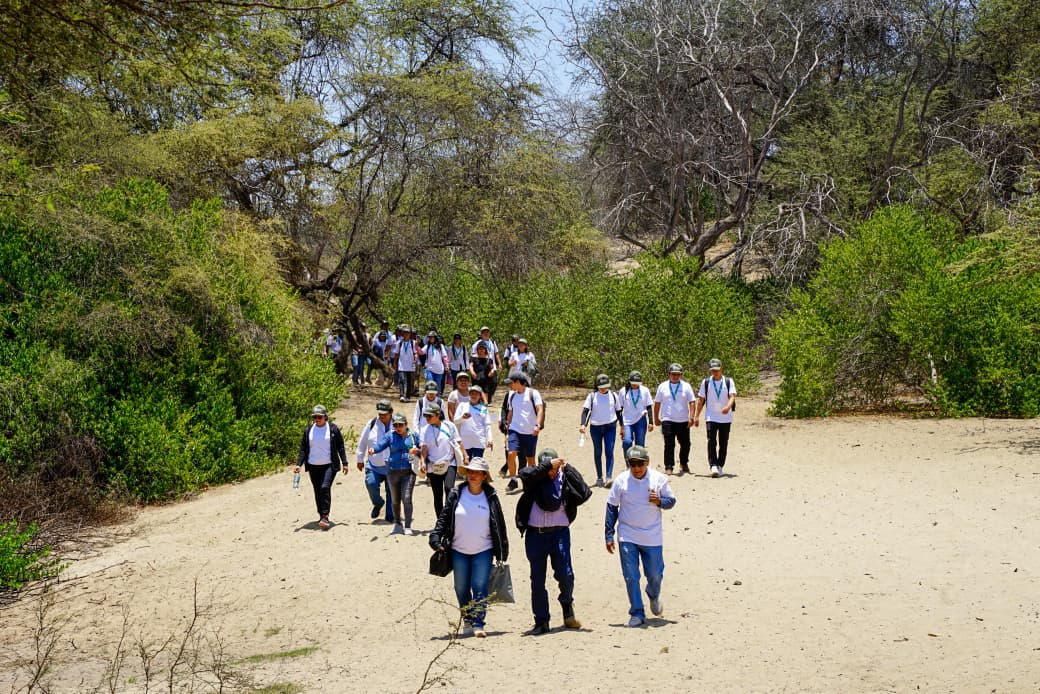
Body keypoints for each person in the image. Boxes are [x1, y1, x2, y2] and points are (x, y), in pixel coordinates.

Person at [429, 457, 509, 638]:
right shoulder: (456, 493)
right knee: (461, 587)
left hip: (484, 549)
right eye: (470, 472)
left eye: (477, 472)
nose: (473, 475)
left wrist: (502, 551)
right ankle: (468, 617)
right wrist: (435, 537)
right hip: (458, 550)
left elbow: (499, 524)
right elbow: (444, 517)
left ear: (483, 476)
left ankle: (479, 623)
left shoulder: (491, 496)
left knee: (479, 586)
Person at [516, 448, 593, 635]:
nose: (551, 472)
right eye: (547, 468)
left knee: (565, 574)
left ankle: (567, 606)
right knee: (538, 579)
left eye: (554, 468)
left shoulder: (564, 479)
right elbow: (523, 473)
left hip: (559, 534)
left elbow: (584, 492)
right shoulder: (533, 480)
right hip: (536, 535)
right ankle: (541, 621)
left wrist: (568, 469)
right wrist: (545, 468)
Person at [604, 445, 676, 627]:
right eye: (632, 464)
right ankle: (637, 612)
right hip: (627, 534)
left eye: (640, 464)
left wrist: (659, 501)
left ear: (647, 462)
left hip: (652, 536)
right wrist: (609, 534)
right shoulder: (621, 481)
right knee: (631, 576)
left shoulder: (659, 479)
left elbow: (671, 501)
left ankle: (653, 595)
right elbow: (612, 508)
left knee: (655, 575)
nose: (636, 468)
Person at [294, 405, 348, 530]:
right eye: (314, 417)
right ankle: (321, 514)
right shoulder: (308, 430)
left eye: (319, 417)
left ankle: (325, 516)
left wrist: (345, 463)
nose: (317, 419)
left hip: (329, 465)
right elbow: (303, 449)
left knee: (324, 487)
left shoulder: (333, 429)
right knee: (317, 490)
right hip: (313, 465)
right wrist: (298, 464)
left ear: (325, 417)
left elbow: (340, 446)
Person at [368, 412, 421, 535]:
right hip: (392, 472)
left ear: (406, 425)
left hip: (409, 472)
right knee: (395, 500)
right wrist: (373, 450)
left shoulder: (413, 436)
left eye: (400, 425)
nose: (398, 428)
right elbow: (381, 445)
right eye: (396, 425)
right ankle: (397, 524)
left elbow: (423, 450)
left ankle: (408, 526)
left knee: (406, 498)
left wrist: (417, 451)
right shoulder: (390, 436)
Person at [421, 403, 467, 518]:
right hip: (433, 466)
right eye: (426, 416)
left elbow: (459, 442)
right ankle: (440, 521)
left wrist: (465, 456)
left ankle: (449, 516)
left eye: (429, 416)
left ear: (438, 415)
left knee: (449, 488)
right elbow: (424, 448)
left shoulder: (450, 426)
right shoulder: (424, 430)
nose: (427, 418)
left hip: (450, 462)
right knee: (437, 495)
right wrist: (422, 462)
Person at [694, 358, 737, 478]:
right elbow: (701, 400)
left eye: (717, 370)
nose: (715, 372)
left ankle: (720, 465)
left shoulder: (728, 381)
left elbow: (732, 396)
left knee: (723, 443)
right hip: (711, 416)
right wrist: (696, 416)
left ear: (721, 369)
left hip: (725, 418)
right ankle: (713, 465)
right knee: (711, 440)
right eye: (713, 370)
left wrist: (728, 407)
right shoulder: (706, 382)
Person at [579, 374, 623, 487]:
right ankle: (599, 477)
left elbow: (618, 412)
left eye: (605, 386)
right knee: (598, 452)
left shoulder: (613, 395)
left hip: (610, 427)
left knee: (609, 451)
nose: (603, 388)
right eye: (601, 386)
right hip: (595, 428)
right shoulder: (592, 396)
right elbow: (585, 411)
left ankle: (609, 477)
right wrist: (582, 424)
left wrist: (622, 426)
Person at [356, 399, 395, 522]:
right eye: (380, 414)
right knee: (371, 483)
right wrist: (359, 458)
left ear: (391, 412)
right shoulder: (372, 424)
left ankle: (390, 513)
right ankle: (378, 503)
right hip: (374, 464)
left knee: (391, 492)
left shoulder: (398, 424)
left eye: (384, 413)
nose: (382, 416)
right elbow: (363, 441)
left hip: (392, 466)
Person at [653, 363, 697, 474]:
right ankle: (669, 466)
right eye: (673, 374)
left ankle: (684, 463)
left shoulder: (686, 386)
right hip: (667, 419)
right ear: (669, 374)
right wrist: (656, 418)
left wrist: (691, 417)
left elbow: (692, 402)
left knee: (686, 444)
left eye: (678, 374)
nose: (675, 376)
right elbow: (657, 403)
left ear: (681, 375)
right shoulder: (662, 386)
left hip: (683, 420)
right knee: (669, 444)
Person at [504, 371, 544, 492]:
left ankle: (532, 480)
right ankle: (513, 480)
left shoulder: (533, 393)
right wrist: (508, 425)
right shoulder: (512, 395)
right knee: (511, 454)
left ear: (517, 382)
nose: (509, 385)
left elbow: (540, 409)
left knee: (530, 459)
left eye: (511, 383)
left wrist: (538, 425)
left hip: (530, 431)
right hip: (514, 429)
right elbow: (510, 412)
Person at [454, 384, 494, 460]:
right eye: (472, 394)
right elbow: (455, 421)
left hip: (479, 441)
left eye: (476, 394)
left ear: (480, 396)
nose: (474, 396)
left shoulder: (483, 409)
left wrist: (490, 439)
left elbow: (487, 425)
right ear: (469, 395)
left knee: (477, 465)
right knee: (466, 464)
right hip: (465, 441)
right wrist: (463, 418)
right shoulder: (462, 405)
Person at [619, 371, 654, 452]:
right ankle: (628, 464)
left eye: (637, 383)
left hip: (641, 420)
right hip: (627, 421)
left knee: (640, 446)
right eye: (633, 382)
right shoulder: (623, 391)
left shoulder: (645, 390)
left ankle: (639, 464)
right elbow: (619, 409)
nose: (635, 384)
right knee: (627, 442)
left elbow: (649, 406)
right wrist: (621, 426)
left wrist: (651, 422)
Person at [395, 326, 419, 402]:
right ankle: (401, 395)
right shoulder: (399, 343)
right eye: (405, 333)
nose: (406, 334)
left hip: (410, 365)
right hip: (401, 364)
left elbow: (415, 352)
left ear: (410, 334)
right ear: (402, 334)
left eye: (408, 333)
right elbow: (396, 354)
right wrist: (395, 362)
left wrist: (415, 358)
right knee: (401, 379)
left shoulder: (413, 343)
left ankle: (408, 396)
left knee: (409, 381)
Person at [422, 331, 448, 396]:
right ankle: (428, 397)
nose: (430, 338)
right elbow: (421, 352)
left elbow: (444, 356)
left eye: (432, 337)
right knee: (430, 382)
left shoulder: (440, 346)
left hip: (439, 369)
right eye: (429, 337)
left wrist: (447, 366)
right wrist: (416, 345)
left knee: (437, 384)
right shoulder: (427, 346)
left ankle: (437, 398)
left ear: (435, 338)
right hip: (430, 368)